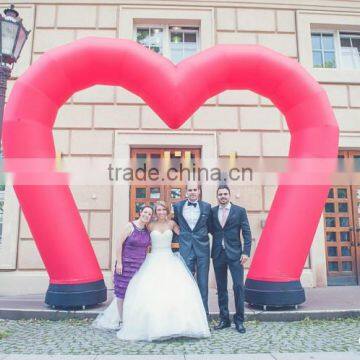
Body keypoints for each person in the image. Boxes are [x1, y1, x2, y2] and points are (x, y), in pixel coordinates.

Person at [116, 201, 210, 341]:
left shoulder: (172, 224)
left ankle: (176, 324)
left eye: (163, 210)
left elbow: (185, 235)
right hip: (152, 260)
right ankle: (147, 324)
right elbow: (139, 235)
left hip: (169, 259)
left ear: (167, 211)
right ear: (155, 212)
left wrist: (198, 245)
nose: (161, 212)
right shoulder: (150, 225)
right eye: (158, 210)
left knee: (172, 291)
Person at [92, 205, 153, 330]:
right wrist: (119, 262)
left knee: (135, 292)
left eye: (150, 214)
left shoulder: (148, 231)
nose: (146, 215)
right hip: (125, 264)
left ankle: (132, 318)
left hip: (139, 266)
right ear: (140, 212)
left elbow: (146, 249)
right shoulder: (129, 226)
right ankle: (121, 320)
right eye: (145, 212)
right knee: (122, 293)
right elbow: (119, 244)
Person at [210, 185, 252, 334]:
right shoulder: (212, 211)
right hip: (218, 254)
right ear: (217, 196)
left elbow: (247, 233)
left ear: (229, 195)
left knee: (238, 287)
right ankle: (224, 319)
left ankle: (239, 321)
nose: (223, 196)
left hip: (235, 255)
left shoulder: (239, 211)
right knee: (221, 289)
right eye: (220, 194)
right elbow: (211, 229)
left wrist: (246, 252)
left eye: (225, 194)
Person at [172, 181, 212, 316]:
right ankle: (186, 316)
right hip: (185, 248)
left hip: (203, 249)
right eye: (190, 190)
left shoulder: (207, 207)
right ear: (186, 192)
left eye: (195, 190)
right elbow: (176, 224)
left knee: (203, 283)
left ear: (199, 191)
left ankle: (204, 316)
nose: (193, 192)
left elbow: (211, 227)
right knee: (185, 282)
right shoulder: (178, 206)